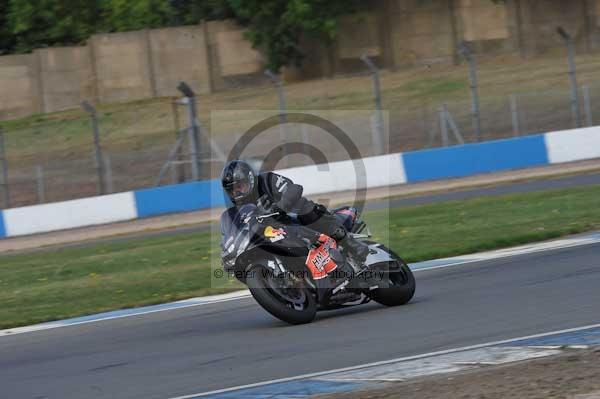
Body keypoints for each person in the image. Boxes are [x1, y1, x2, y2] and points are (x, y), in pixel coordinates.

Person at [220, 160, 369, 265]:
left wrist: (280, 206)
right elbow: (234, 232)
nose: (237, 192)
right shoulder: (237, 211)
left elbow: (294, 188)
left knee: (305, 209)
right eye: (232, 190)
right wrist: (229, 250)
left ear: (250, 180)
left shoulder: (267, 180)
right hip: (275, 233)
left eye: (240, 186)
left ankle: (351, 244)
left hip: (294, 219)